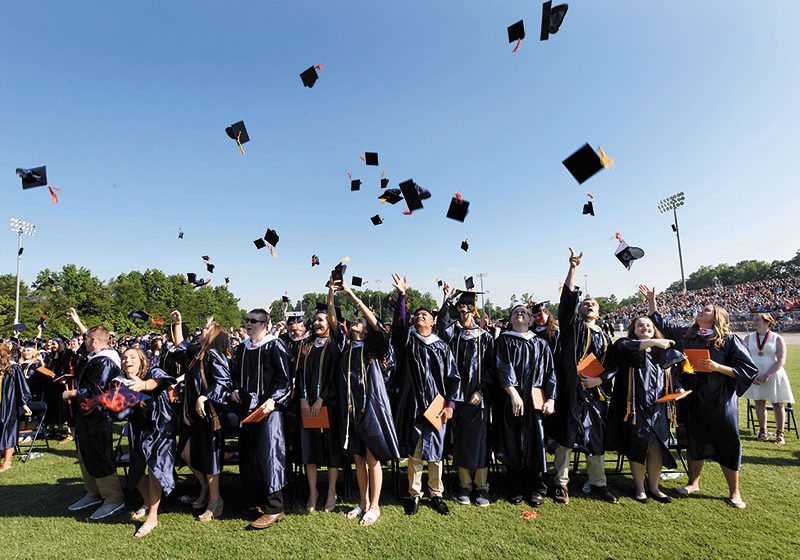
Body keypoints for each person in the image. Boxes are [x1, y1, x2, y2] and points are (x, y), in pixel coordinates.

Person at [641, 285, 757, 508]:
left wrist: (717, 367)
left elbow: (748, 370)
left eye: (706, 310)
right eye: (701, 309)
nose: (701, 311)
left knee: (728, 441)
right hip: (693, 397)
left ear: (717, 317)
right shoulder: (688, 335)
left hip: (720, 399)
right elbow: (661, 324)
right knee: (695, 439)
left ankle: (735, 492)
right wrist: (652, 301)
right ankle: (693, 482)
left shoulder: (729, 340)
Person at [548, 249, 618, 505]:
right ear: (578, 309)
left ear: (599, 312)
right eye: (585, 303)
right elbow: (566, 301)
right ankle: (561, 482)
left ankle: (599, 482)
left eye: (594, 304)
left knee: (595, 439)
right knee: (567, 436)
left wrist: (600, 380)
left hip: (596, 391)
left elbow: (613, 365)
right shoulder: (573, 327)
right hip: (572, 389)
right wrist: (573, 268)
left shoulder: (605, 336)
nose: (589, 305)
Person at [329, 280, 400, 525]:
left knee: (372, 459)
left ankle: (375, 506)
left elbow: (377, 326)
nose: (355, 323)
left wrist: (352, 297)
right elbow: (333, 323)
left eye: (359, 322)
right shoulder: (345, 348)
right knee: (358, 458)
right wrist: (331, 294)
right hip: (350, 410)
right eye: (354, 322)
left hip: (370, 408)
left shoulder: (372, 348)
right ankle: (362, 503)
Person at [390, 273, 460, 516]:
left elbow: (453, 378)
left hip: (437, 406)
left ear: (433, 322)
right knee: (415, 453)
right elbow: (398, 326)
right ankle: (414, 494)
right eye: (417, 314)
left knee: (436, 454)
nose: (421, 316)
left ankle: (436, 493)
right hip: (412, 405)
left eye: (426, 315)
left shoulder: (442, 346)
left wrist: (450, 404)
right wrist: (402, 296)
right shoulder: (408, 341)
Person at [607, 317, 683, 503]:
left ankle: (654, 487)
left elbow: (672, 375)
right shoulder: (625, 345)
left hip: (659, 408)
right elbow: (624, 349)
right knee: (639, 446)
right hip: (636, 408)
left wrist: (678, 388)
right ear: (633, 329)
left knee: (657, 448)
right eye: (640, 325)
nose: (645, 327)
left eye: (649, 325)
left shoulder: (664, 352)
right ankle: (640, 488)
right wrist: (654, 341)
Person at [229, 308, 291, 530]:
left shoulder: (275, 345)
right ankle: (254, 502)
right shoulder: (241, 349)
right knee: (249, 456)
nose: (248, 324)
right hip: (247, 410)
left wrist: (274, 400)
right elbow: (233, 376)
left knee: (269, 456)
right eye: (247, 320)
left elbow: (285, 379)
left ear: (265, 324)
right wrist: (234, 389)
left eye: (253, 321)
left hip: (269, 411)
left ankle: (275, 507)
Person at [61, 316, 126, 520]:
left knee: (99, 455)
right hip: (86, 416)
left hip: (99, 416)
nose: (83, 342)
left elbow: (97, 390)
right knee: (86, 454)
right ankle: (93, 492)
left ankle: (113, 498)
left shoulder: (106, 360)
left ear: (94, 341)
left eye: (86, 339)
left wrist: (73, 393)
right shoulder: (95, 357)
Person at [171, 311, 233, 521]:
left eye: (207, 328)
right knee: (187, 454)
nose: (202, 330)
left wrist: (205, 397)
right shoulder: (198, 352)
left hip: (210, 414)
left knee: (210, 457)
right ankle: (206, 490)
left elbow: (223, 382)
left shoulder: (215, 354)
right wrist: (178, 323)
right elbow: (181, 348)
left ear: (214, 334)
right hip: (193, 414)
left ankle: (215, 501)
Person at [436, 285, 495, 507]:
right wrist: (446, 300)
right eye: (459, 310)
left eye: (466, 309)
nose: (463, 313)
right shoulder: (453, 336)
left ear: (474, 311)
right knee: (459, 442)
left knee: (480, 443)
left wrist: (481, 392)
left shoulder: (486, 338)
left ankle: (481, 486)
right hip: (458, 399)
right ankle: (464, 485)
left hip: (478, 400)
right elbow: (441, 326)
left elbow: (492, 369)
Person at [495, 303, 556, 507]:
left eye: (524, 312)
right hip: (512, 400)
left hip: (535, 402)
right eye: (515, 312)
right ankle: (515, 488)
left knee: (536, 443)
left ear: (530, 320)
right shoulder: (504, 340)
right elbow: (503, 367)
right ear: (510, 320)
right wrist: (513, 393)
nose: (520, 314)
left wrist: (551, 399)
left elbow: (550, 373)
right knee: (513, 443)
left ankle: (538, 488)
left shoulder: (541, 343)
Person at [120, 348, 177, 537]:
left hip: (160, 428)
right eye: (125, 358)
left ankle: (152, 517)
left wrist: (144, 385)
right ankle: (146, 501)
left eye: (132, 357)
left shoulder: (153, 372)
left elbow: (160, 381)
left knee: (155, 471)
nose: (127, 360)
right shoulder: (123, 381)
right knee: (136, 471)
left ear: (141, 360)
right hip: (138, 429)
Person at [295, 292, 343, 513]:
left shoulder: (333, 347)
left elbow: (335, 378)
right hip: (307, 406)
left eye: (320, 320)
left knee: (331, 450)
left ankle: (331, 491)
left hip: (328, 407)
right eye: (314, 320)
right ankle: (313, 492)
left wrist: (321, 400)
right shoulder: (305, 347)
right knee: (309, 450)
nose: (316, 323)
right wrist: (304, 400)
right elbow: (299, 376)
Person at [742, 313, 794, 445]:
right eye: (754, 320)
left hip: (774, 374)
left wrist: (767, 375)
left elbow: (781, 360)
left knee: (778, 403)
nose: (754, 322)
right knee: (759, 402)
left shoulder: (777, 338)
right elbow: (743, 358)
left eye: (758, 320)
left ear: (767, 322)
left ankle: (780, 434)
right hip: (755, 376)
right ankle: (763, 431)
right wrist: (751, 376)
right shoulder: (748, 338)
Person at [0, 345, 33, 472]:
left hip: (9, 406)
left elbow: (22, 387)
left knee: (8, 431)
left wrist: (24, 404)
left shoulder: (13, 368)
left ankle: (7, 462)